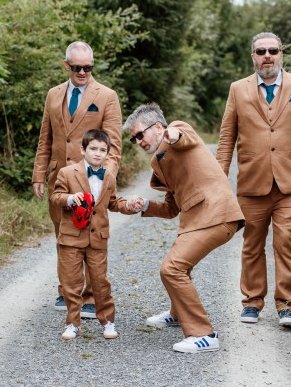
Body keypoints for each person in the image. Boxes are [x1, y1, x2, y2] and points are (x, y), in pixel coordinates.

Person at [216, 31, 291, 328]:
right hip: (253, 182)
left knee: (286, 242)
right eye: (261, 51)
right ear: (253, 56)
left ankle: (287, 307)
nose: (267, 56)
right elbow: (226, 138)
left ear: (281, 53)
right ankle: (251, 302)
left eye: (272, 50)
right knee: (251, 243)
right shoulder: (238, 89)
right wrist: (218, 177)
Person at [124, 103, 245, 353]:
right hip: (195, 221)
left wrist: (173, 135)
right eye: (134, 139)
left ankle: (204, 334)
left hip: (217, 214)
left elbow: (181, 136)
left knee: (172, 268)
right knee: (180, 267)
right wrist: (145, 204)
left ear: (158, 127)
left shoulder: (179, 130)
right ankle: (177, 313)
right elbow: (171, 209)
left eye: (140, 134)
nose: (138, 141)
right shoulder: (158, 163)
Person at [32, 41, 122, 318]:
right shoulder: (53, 95)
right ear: (66, 65)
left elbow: (114, 146)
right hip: (60, 179)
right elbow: (46, 137)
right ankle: (66, 291)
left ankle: (92, 296)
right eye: (77, 68)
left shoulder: (107, 96)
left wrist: (103, 179)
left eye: (88, 67)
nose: (83, 72)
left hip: (92, 179)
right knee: (64, 236)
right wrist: (38, 173)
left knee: (91, 237)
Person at [50, 129, 135, 340]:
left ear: (107, 153)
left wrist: (129, 205)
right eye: (93, 149)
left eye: (102, 150)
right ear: (83, 150)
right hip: (72, 236)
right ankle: (72, 323)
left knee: (100, 282)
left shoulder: (109, 177)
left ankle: (108, 321)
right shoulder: (67, 172)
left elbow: (113, 202)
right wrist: (70, 198)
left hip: (98, 238)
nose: (97, 153)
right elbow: (56, 196)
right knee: (71, 282)